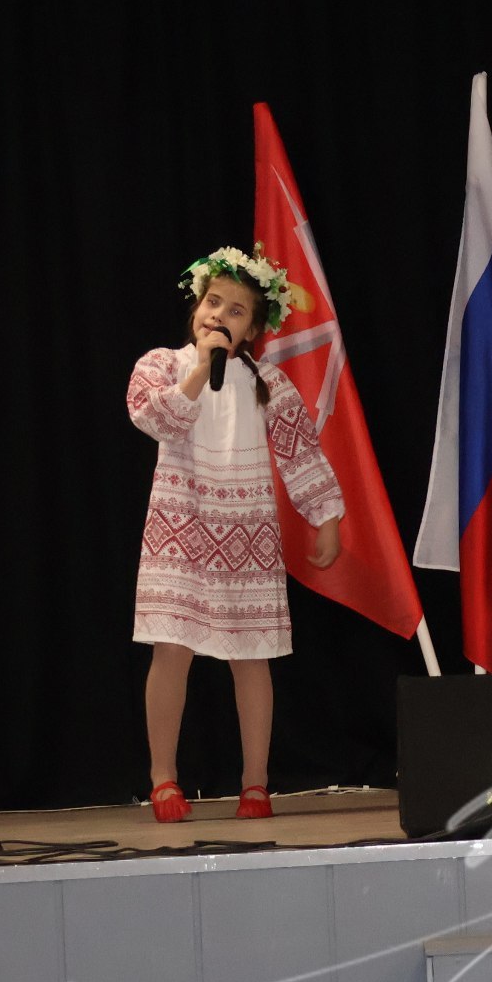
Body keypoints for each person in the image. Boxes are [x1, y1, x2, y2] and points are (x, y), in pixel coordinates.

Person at [129, 248, 344, 823]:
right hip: (181, 528)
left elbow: (301, 454)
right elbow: (155, 418)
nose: (219, 316)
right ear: (196, 307)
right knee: (171, 649)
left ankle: (255, 783)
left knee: (251, 657)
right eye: (213, 302)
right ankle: (163, 779)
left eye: (236, 311)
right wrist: (201, 369)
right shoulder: (162, 365)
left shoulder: (268, 383)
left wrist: (325, 516)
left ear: (253, 329)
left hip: (247, 534)